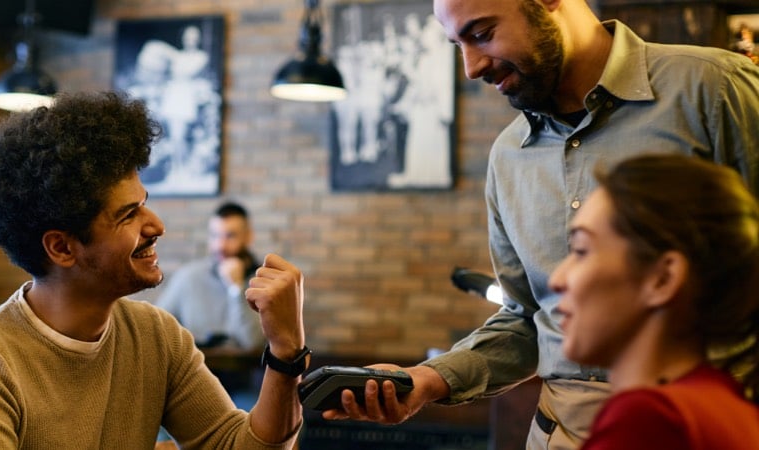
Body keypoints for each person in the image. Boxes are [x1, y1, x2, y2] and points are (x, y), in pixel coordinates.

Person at [324, 0, 759, 449]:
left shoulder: (715, 90)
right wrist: (427, 380)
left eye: (482, 34)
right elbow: (528, 318)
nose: (471, 68)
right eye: (457, 45)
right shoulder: (508, 155)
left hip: (701, 426)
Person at [0, 91, 309, 449]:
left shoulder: (156, 336)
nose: (156, 225)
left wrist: (286, 353)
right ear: (62, 248)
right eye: (128, 215)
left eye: (144, 204)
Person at [549, 154, 759, 449]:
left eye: (582, 251)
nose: (556, 279)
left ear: (662, 279)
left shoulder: (650, 421)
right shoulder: (727, 406)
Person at [156, 201, 264, 353]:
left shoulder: (264, 282)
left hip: (246, 367)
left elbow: (254, 344)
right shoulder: (189, 277)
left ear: (248, 237)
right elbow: (156, 328)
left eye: (230, 236)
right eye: (215, 236)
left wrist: (236, 288)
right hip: (195, 364)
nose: (220, 246)